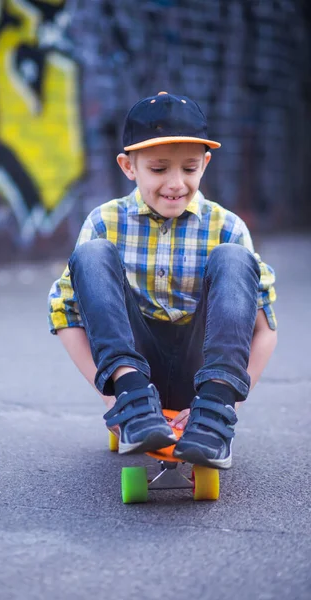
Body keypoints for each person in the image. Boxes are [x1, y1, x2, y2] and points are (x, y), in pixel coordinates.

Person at [48, 91, 277, 470]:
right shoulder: (104, 222)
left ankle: (213, 412)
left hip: (204, 369)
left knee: (234, 258)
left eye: (189, 169)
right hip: (133, 367)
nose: (175, 183)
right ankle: (133, 398)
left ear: (205, 164)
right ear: (128, 166)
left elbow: (265, 329)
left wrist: (231, 404)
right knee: (91, 255)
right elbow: (65, 314)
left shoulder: (228, 227)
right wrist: (111, 398)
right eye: (158, 169)